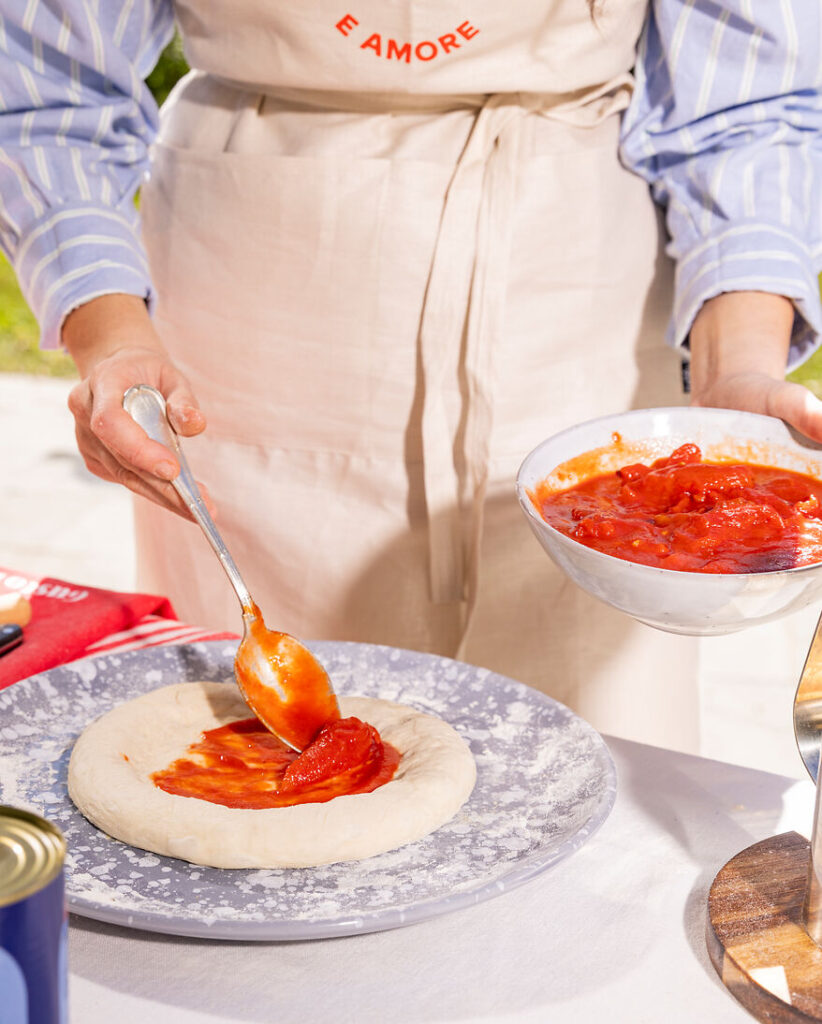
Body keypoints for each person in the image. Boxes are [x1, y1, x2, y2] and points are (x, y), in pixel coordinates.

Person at [1, 1, 820, 754]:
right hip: (249, 312)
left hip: (574, 302)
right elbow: (46, 86)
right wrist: (110, 335)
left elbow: (746, 107)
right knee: (241, 769)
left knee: (596, 765)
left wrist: (734, 374)